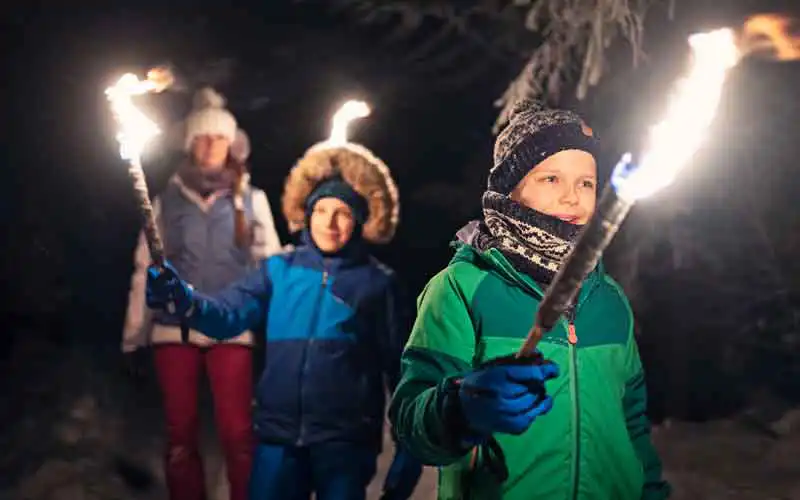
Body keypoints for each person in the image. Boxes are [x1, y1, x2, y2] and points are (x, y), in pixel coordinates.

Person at [388, 100, 671, 499]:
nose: (573, 197)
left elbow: (633, 423)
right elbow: (409, 422)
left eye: (586, 182)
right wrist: (460, 408)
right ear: (511, 190)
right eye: (551, 179)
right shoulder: (461, 288)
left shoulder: (610, 299)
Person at [144, 126, 423, 499]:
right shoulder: (280, 270)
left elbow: (403, 371)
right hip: (278, 437)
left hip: (344, 442)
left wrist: (409, 446)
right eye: (321, 210)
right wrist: (185, 300)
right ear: (307, 214)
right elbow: (227, 313)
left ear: (360, 220)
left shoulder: (377, 284)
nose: (330, 222)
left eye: (343, 213)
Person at [121, 87, 283, 500]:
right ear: (190, 143)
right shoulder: (166, 200)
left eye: (219, 138)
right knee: (180, 436)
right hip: (174, 330)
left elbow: (272, 267)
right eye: (203, 137)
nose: (211, 145)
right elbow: (146, 266)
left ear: (231, 145)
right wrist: (135, 332)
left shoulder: (252, 199)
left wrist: (279, 326)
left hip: (233, 329)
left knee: (238, 434)